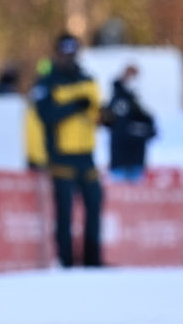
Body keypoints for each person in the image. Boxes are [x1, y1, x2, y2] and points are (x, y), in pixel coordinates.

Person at [30, 32, 102, 268]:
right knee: (65, 213)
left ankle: (93, 260)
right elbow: (46, 115)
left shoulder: (87, 78)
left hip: (87, 155)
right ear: (57, 53)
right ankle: (66, 260)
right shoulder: (47, 81)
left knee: (94, 207)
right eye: (65, 53)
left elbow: (98, 114)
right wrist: (73, 106)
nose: (69, 58)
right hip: (62, 156)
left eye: (73, 53)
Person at [102, 64, 157, 182]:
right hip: (119, 160)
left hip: (137, 160)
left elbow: (151, 128)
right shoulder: (117, 98)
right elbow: (116, 125)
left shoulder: (138, 100)